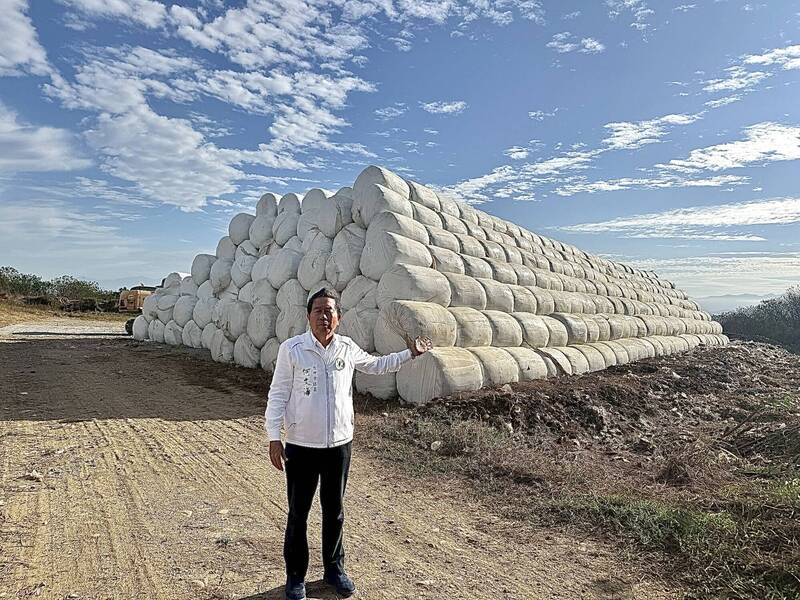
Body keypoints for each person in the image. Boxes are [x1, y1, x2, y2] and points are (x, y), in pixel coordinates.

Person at [265, 288, 431, 600]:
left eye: (329, 311)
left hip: (339, 446)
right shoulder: (293, 349)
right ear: (308, 316)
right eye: (318, 311)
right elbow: (278, 393)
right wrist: (274, 436)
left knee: (335, 511)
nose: (323, 316)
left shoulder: (346, 348)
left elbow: (377, 365)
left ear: (338, 318)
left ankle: (334, 570)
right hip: (301, 445)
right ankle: (295, 577)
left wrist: (410, 353)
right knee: (298, 514)